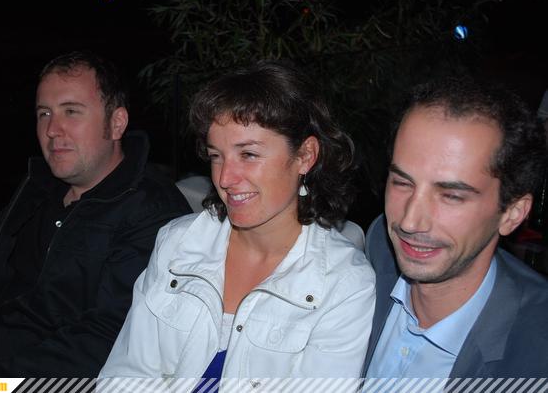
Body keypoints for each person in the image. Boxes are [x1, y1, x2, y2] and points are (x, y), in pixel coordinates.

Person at [99, 61, 376, 387]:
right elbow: (127, 375)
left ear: (305, 155)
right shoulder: (178, 244)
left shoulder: (343, 283)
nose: (225, 178)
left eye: (248, 155)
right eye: (216, 156)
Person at [0, 51, 191, 377]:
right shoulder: (38, 188)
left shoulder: (152, 212)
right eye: (44, 113)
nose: (52, 129)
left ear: (116, 123)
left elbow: (106, 340)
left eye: (71, 111)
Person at [362, 76, 548, 379]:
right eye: (402, 183)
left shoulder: (535, 355)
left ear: (512, 214)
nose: (409, 221)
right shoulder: (376, 250)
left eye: (451, 196)